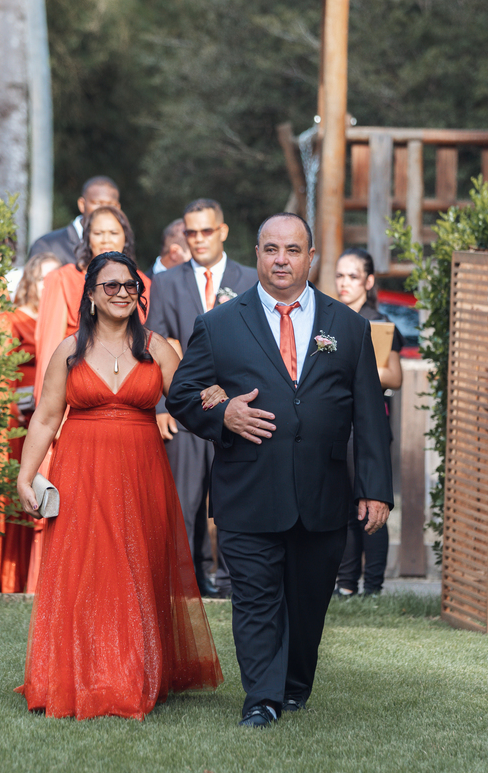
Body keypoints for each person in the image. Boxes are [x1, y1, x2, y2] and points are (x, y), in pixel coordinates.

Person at [166, 213, 392, 728]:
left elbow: (368, 415)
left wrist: (375, 488)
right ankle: (261, 699)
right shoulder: (219, 324)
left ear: (311, 257)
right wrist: (224, 414)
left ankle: (292, 687)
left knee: (308, 604)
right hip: (248, 490)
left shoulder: (348, 327)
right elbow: (181, 394)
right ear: (258, 255)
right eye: (271, 249)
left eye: (293, 250)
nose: (282, 260)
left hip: (322, 494)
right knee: (255, 598)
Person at [15, 251, 223, 719]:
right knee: (86, 571)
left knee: (136, 567)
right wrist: (26, 475)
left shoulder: (157, 348)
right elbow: (46, 418)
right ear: (91, 294)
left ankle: (132, 674)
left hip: (141, 474)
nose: (122, 293)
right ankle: (78, 673)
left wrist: (215, 396)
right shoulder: (69, 351)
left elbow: (188, 403)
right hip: (81, 472)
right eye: (111, 285)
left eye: (130, 286)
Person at [146, 199, 257, 597]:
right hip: (185, 407)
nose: (198, 239)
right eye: (191, 232)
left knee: (236, 496)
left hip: (237, 405)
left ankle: (232, 579)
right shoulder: (166, 282)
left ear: (222, 231)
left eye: (206, 231)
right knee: (185, 498)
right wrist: (161, 405)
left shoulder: (249, 279)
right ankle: (189, 580)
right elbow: (157, 343)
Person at [0, 252, 60, 594]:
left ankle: (31, 578)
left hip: (48, 418)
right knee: (14, 492)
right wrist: (11, 401)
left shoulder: (60, 322)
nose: (49, 287)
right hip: (16, 421)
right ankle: (1, 579)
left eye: (55, 280)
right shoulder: (10, 319)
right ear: (30, 281)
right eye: (43, 279)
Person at [332, 248, 403, 597]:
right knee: (342, 506)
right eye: (340, 276)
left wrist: (354, 369)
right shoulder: (330, 320)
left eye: (353, 276)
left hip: (370, 427)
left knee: (373, 502)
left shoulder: (379, 323)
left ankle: (373, 586)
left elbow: (394, 376)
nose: (344, 283)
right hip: (336, 426)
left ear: (369, 281)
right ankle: (346, 584)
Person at [32, 205, 145, 404]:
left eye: (113, 233)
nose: (106, 239)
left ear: (125, 238)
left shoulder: (143, 284)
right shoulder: (62, 279)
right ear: (87, 238)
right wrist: (47, 404)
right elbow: (49, 348)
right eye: (98, 233)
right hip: (75, 394)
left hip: (131, 395)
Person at [26, 176, 120, 265]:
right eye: (98, 203)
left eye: (110, 205)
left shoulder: (121, 246)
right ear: (82, 204)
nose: (103, 210)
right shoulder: (48, 246)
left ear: (118, 208)